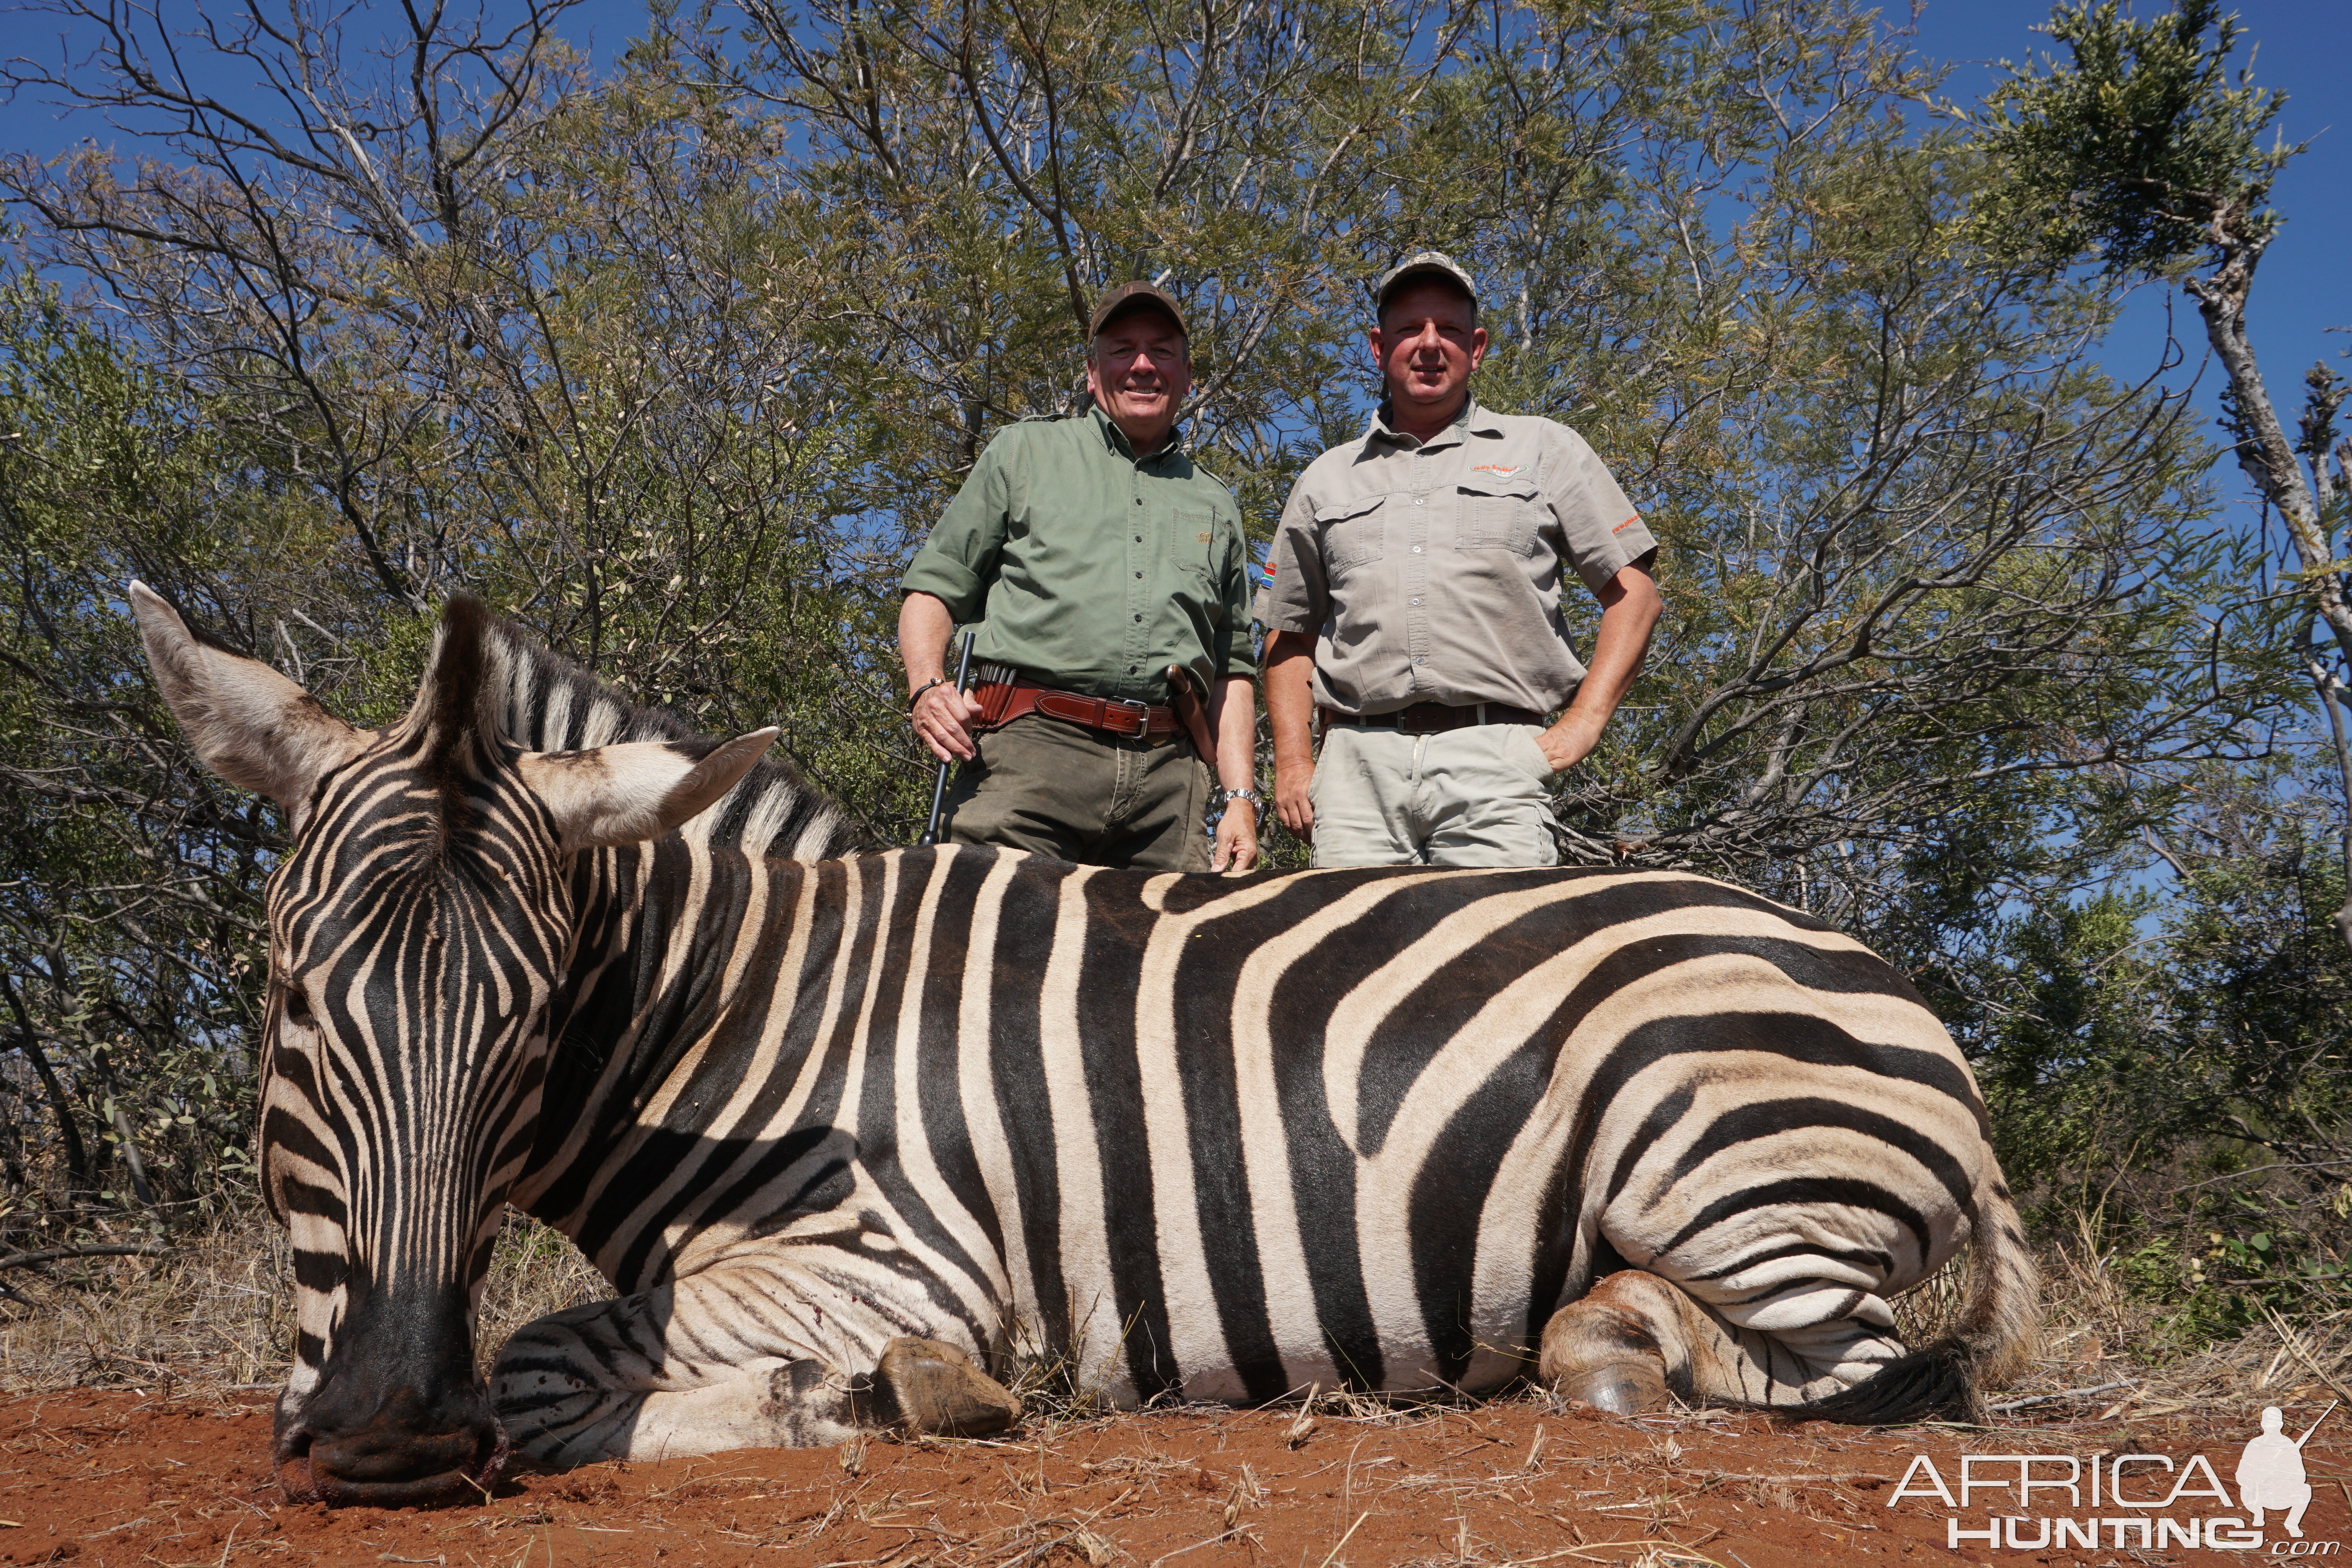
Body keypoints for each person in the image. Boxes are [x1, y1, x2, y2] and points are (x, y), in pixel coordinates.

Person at [1258, 251, 1662, 867]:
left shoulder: (1545, 449)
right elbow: (1290, 636)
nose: (1428, 345)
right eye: (1408, 330)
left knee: (1504, 958)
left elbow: (1636, 595)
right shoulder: (1326, 478)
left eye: (1447, 330)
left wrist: (1582, 724)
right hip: (1356, 772)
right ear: (1377, 347)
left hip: (1496, 760)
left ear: (1475, 347)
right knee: (1349, 963)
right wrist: (1293, 764)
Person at [900, 281, 1261, 872]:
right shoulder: (1023, 453)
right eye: (1122, 349)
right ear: (1093, 373)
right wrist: (927, 688)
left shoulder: (1218, 504)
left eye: (1162, 351)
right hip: (1029, 757)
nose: (1142, 366)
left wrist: (1241, 800)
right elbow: (934, 589)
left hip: (1171, 786)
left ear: (1187, 374)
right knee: (997, 946)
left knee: (1173, 962)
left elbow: (1232, 670)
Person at [2236, 1405, 2314, 1537]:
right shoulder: (2255, 1444)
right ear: (2263, 1425)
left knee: (2305, 1489)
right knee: (2245, 1489)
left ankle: (2292, 1523)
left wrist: (2282, 1476)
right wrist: (2258, 1478)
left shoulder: (2289, 1445)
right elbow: (2241, 1474)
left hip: (2281, 1494)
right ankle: (2258, 1514)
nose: (2272, 1427)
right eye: (2269, 1423)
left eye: (2275, 1423)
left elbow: (2301, 1476)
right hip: (2259, 1493)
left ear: (2281, 1425)